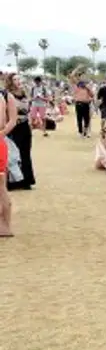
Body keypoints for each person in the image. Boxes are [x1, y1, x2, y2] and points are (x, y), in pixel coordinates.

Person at [5, 74, 35, 191]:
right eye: (15, 79)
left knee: (25, 153)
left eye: (19, 79)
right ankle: (13, 182)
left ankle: (26, 180)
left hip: (25, 126)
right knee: (13, 155)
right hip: (14, 127)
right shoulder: (8, 95)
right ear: (10, 81)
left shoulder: (25, 93)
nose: (18, 81)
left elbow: (28, 110)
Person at [0, 83, 17, 236]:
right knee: (1, 186)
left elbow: (12, 120)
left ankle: (5, 225)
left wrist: (2, 133)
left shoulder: (5, 96)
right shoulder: (4, 95)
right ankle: (4, 225)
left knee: (1, 186)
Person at [70, 66, 93, 138]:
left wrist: (88, 88)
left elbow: (92, 95)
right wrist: (77, 68)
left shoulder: (87, 86)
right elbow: (72, 76)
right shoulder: (76, 85)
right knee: (79, 119)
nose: (83, 78)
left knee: (87, 119)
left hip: (86, 104)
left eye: (84, 76)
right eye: (81, 76)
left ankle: (85, 131)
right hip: (79, 103)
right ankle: (80, 132)